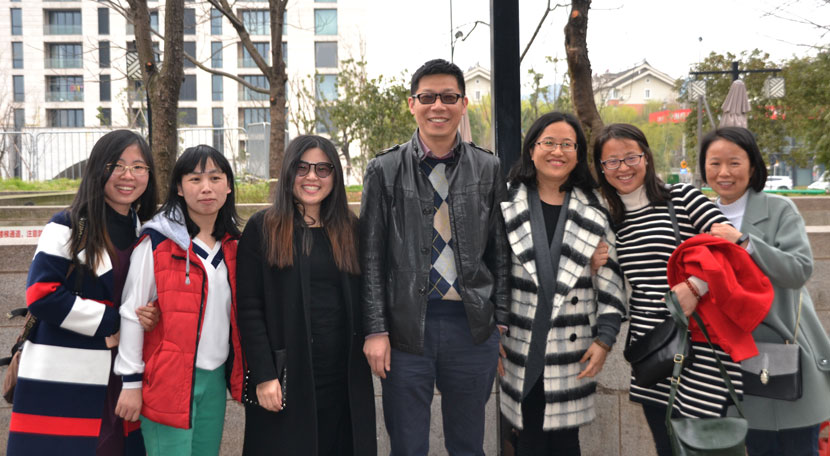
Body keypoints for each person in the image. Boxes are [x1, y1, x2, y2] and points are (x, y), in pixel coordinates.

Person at [360, 58, 510, 456]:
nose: (438, 106)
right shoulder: (383, 169)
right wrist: (375, 329)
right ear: (412, 104)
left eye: (448, 97)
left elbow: (500, 252)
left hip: (472, 329)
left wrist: (501, 323)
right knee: (407, 445)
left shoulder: (488, 167)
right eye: (427, 97)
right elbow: (371, 257)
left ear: (463, 104)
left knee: (468, 444)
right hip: (405, 331)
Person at [592, 123, 742, 456]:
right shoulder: (609, 218)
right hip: (651, 352)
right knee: (666, 446)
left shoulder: (683, 198)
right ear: (602, 168)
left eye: (631, 157)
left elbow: (732, 248)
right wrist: (593, 265)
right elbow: (612, 285)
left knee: (705, 447)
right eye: (612, 161)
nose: (623, 167)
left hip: (701, 346)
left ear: (646, 157)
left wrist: (696, 287)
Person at [8, 130, 158, 455]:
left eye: (138, 167)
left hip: (124, 374)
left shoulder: (146, 232)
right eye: (117, 165)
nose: (128, 175)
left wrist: (151, 313)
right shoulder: (67, 225)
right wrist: (115, 321)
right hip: (65, 375)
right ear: (97, 169)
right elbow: (42, 295)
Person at [236, 135, 376, 455]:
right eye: (302, 168)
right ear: (288, 172)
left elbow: (367, 295)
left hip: (341, 378)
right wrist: (264, 375)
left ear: (335, 177)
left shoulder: (349, 229)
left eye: (323, 169)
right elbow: (249, 308)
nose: (312, 176)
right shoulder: (263, 228)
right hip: (286, 377)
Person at [498, 112, 626, 456]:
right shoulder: (504, 202)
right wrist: (490, 331)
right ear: (532, 149)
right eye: (549, 143)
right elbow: (491, 274)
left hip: (573, 348)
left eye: (568, 144)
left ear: (578, 152)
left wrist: (605, 340)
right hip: (520, 346)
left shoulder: (595, 207)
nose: (558, 151)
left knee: (567, 443)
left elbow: (612, 284)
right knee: (528, 440)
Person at [700, 126, 830, 456]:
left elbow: (799, 270)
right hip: (731, 364)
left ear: (753, 166)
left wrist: (744, 242)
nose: (724, 172)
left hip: (785, 356)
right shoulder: (699, 216)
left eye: (734, 162)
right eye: (714, 163)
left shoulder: (780, 209)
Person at [113, 145, 245, 456]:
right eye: (195, 179)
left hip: (214, 378)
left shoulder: (234, 246)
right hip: (168, 380)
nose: (206, 188)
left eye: (215, 178)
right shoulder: (156, 242)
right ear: (179, 188)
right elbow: (133, 312)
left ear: (228, 186)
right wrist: (131, 383)